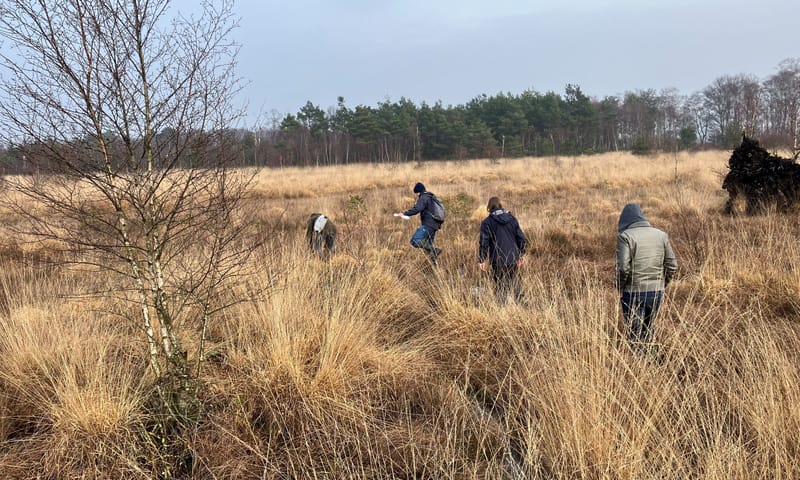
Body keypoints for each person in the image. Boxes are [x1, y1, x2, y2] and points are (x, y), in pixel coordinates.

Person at [615, 203, 678, 355]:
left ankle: (639, 364)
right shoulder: (661, 235)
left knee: (635, 333)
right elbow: (672, 266)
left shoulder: (625, 236)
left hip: (633, 292)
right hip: (656, 293)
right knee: (649, 328)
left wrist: (620, 286)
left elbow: (623, 268)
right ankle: (653, 360)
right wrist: (662, 284)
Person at [478, 196, 527, 304]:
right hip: (513, 258)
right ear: (500, 205)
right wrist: (521, 254)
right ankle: (523, 303)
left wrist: (482, 259)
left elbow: (484, 242)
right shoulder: (512, 219)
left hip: (498, 260)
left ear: (489, 207)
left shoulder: (487, 222)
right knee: (513, 281)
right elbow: (521, 238)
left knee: (500, 285)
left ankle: (501, 308)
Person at [395, 182, 443, 264]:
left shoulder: (424, 197)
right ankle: (434, 267)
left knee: (415, 240)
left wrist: (404, 214)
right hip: (435, 226)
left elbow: (417, 209)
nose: (417, 195)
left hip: (428, 225)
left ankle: (435, 250)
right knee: (429, 252)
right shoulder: (431, 197)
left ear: (418, 191)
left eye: (416, 193)